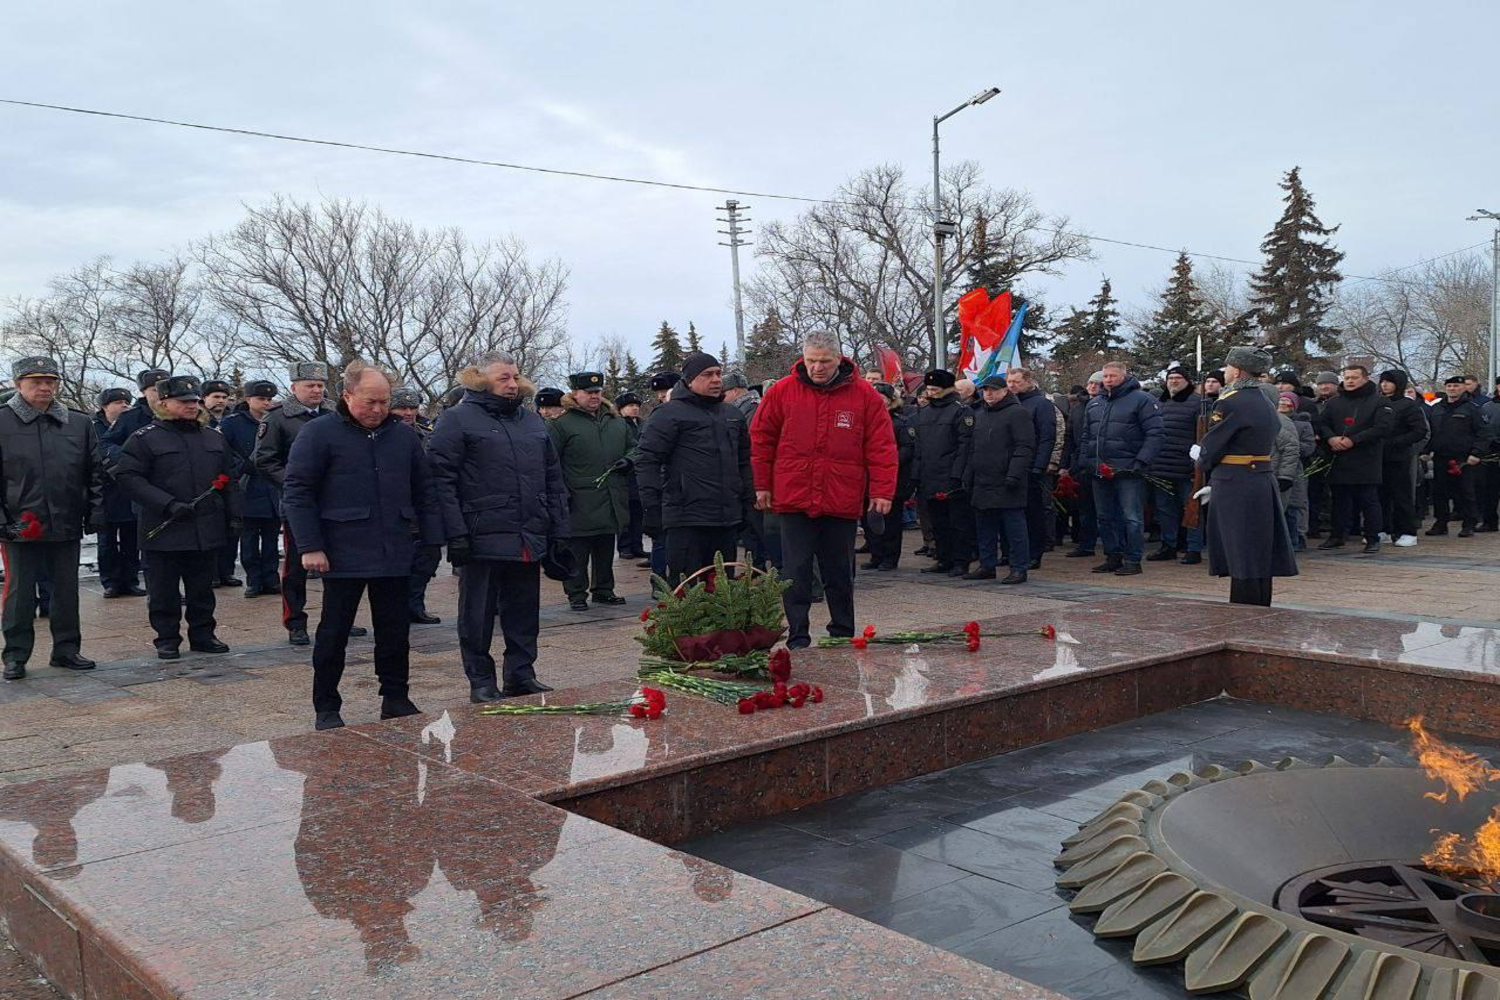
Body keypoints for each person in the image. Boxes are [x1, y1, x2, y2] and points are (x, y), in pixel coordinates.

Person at [282, 361, 440, 730]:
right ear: (348, 395)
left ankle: (396, 697)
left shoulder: (403, 436)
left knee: (394, 631)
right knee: (334, 632)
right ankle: (326, 706)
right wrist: (310, 546)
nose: (379, 410)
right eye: (370, 402)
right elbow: (298, 492)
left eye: (385, 402)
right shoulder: (319, 432)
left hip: (394, 547)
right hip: (341, 549)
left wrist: (433, 541)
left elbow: (425, 491)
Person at [428, 351, 571, 701]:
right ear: (480, 379)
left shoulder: (531, 421)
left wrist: (559, 530)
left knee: (523, 610)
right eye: (503, 378)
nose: (512, 384)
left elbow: (553, 478)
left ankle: (521, 674)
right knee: (477, 613)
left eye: (515, 377)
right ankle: (481, 680)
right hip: (481, 532)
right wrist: (455, 533)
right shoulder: (456, 419)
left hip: (528, 531)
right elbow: (441, 480)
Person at [750, 331, 896, 649]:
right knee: (795, 571)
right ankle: (798, 634)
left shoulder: (864, 395)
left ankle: (842, 631)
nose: (817, 368)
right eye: (811, 361)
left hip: (840, 496)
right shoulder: (782, 392)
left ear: (838, 359)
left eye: (824, 362)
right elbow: (761, 440)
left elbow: (882, 446)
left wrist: (882, 491)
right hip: (794, 496)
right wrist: (762, 485)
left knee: (840, 572)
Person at [114, 375, 239, 660]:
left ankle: (203, 635)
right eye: (184, 401)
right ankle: (167, 638)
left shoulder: (213, 437)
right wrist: (167, 504)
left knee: (202, 589)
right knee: (163, 590)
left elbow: (229, 480)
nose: (191, 406)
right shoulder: (145, 438)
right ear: (164, 403)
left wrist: (234, 517)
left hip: (204, 526)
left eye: (194, 401)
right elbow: (129, 478)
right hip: (163, 527)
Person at [0, 356, 103, 679]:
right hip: (20, 523)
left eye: (50, 381)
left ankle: (67, 650)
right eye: (36, 382)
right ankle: (15, 655)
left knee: (66, 590)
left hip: (66, 518)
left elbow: (94, 471)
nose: (45, 387)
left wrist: (96, 510)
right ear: (18, 384)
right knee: (20, 593)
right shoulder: (2, 421)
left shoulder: (78, 422)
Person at [255, 362, 362, 646]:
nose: (316, 390)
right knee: (296, 567)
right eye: (309, 385)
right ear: (294, 387)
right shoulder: (278, 418)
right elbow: (265, 461)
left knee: (340, 564)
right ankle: (295, 621)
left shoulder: (335, 413)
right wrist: (297, 485)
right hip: (299, 505)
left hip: (335, 503)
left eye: (320, 385)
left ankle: (340, 617)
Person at [637, 353, 753, 587]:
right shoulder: (668, 414)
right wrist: (651, 507)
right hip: (686, 518)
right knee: (686, 590)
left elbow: (743, 463)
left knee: (722, 589)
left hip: (725, 518)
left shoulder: (732, 415)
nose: (716, 379)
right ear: (690, 380)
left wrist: (747, 503)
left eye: (718, 373)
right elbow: (647, 461)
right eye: (707, 375)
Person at [1195, 347, 1298, 605]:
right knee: (1258, 549)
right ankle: (1259, 603)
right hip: (1260, 478)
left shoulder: (1230, 401)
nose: (1225, 371)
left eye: (1228, 367)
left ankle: (1244, 608)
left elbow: (1215, 444)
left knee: (1241, 550)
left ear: (1238, 371)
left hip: (1235, 481)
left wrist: (1202, 457)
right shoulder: (1264, 400)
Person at [550, 371, 634, 610]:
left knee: (606, 546)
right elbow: (551, 462)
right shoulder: (561, 425)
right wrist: (561, 493)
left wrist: (629, 460)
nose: (594, 396)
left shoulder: (616, 421)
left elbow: (635, 448)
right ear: (575, 394)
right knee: (578, 549)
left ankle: (604, 589)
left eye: (597, 392)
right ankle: (576, 593)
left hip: (611, 495)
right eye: (589, 392)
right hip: (578, 499)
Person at [1078, 361, 1163, 576]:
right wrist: (1085, 461)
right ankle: (1112, 556)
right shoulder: (1094, 404)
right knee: (1105, 517)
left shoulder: (1142, 400)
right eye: (1105, 376)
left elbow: (1155, 434)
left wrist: (1141, 462)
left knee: (1132, 517)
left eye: (1112, 376)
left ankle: (1133, 559)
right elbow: (1086, 436)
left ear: (1123, 377)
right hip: (1099, 470)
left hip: (1129, 470)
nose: (1108, 380)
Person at [963, 373, 1035, 584]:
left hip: (1007, 480)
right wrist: (968, 474)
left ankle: (1019, 568)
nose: (989, 394)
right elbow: (973, 448)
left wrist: (1014, 474)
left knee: (1014, 528)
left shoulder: (1017, 413)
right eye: (986, 390)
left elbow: (1024, 446)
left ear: (1005, 391)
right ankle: (987, 565)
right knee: (984, 527)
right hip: (983, 480)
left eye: (993, 390)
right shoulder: (980, 414)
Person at [1315, 365, 1393, 553]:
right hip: (1339, 456)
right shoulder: (1334, 403)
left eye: (1354, 377)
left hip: (1366, 457)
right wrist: (1330, 438)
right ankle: (1337, 536)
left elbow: (1382, 427)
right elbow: (1321, 424)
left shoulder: (1379, 401)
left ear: (1365, 378)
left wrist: (1354, 440)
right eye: (1347, 377)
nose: (1349, 381)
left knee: (1368, 500)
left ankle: (1372, 538)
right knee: (1339, 500)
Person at [219, 380, 282, 598]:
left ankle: (271, 579)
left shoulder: (276, 420)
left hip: (272, 487)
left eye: (269, 399)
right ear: (248, 399)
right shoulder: (232, 423)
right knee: (249, 539)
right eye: (261, 399)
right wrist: (241, 466)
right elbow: (223, 451)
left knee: (271, 539)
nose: (266, 403)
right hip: (247, 486)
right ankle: (254, 580)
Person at [913, 369, 974, 576]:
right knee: (937, 522)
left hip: (951, 476)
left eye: (935, 389)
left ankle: (961, 561)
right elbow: (919, 446)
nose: (930, 393)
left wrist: (957, 475)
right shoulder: (924, 412)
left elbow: (964, 446)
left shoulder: (960, 411)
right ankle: (943, 558)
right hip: (929, 475)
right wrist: (917, 474)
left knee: (957, 522)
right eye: (928, 389)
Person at [1144, 365, 1205, 565]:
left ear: (1187, 381)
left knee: (1191, 509)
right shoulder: (1159, 403)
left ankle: (1193, 548)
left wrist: (1196, 462)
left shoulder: (1198, 403)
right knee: (1164, 510)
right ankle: (1168, 545)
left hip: (1187, 467)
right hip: (1161, 465)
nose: (1174, 381)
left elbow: (1204, 435)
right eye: (1170, 378)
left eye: (1178, 377)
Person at [391, 386, 443, 623]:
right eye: (402, 408)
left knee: (427, 559)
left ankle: (415, 605)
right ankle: (398, 608)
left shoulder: (426, 434)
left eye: (412, 407)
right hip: (397, 507)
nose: (408, 413)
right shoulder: (385, 435)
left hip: (424, 506)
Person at [92, 387, 144, 598]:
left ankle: (130, 580)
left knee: (131, 541)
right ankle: (111, 582)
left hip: (130, 492)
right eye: (118, 403)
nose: (124, 406)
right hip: (105, 492)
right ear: (105, 407)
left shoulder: (131, 425)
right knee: (107, 542)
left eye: (126, 402)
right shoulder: (94, 428)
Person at [1005, 368, 1057, 571]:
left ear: (1028, 381)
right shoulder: (1009, 403)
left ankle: (1035, 553)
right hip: (1010, 465)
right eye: (1009, 381)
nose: (1011, 385)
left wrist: (1039, 466)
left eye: (1016, 382)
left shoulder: (1041, 404)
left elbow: (1047, 437)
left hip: (1032, 466)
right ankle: (1011, 552)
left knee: (1034, 512)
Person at [1423, 376, 1487, 537]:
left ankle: (1469, 523)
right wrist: (1425, 451)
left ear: (1463, 388)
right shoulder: (1437, 408)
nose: (1452, 389)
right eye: (1449, 386)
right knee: (1439, 492)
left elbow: (1483, 433)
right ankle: (1441, 523)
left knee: (1466, 492)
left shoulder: (1472, 409)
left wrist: (1476, 453)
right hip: (1440, 456)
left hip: (1463, 458)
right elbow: (1430, 432)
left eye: (1456, 386)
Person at [862, 382, 915, 571]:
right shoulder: (865, 420)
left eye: (881, 398)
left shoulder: (900, 422)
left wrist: (886, 462)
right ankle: (876, 554)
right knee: (869, 519)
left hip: (892, 478)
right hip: (866, 478)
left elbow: (907, 449)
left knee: (890, 521)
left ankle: (890, 557)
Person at [1376, 370, 1429, 547]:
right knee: (1380, 495)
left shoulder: (1408, 405)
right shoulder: (1377, 402)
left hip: (1399, 456)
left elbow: (1419, 430)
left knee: (1401, 495)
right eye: (1383, 381)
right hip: (1378, 456)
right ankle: (1383, 529)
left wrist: (1398, 442)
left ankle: (1407, 531)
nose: (1384, 385)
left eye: (1389, 382)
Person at [722, 372, 766, 568]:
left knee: (755, 528)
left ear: (734, 391)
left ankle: (758, 568)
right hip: (747, 477)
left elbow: (751, 445)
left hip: (751, 477)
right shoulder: (745, 409)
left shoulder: (749, 410)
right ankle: (754, 568)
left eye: (724, 393)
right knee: (750, 528)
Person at [639, 371, 680, 574]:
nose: (661, 396)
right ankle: (659, 579)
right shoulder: (658, 416)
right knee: (662, 540)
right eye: (659, 393)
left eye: (665, 391)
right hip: (663, 486)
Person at [1277, 394, 1316, 550]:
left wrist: (1290, 443)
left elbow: (1308, 447)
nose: (1283, 403)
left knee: (1293, 505)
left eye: (1287, 401)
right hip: (1274, 466)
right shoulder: (1270, 421)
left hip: (1294, 468)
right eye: (1280, 400)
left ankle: (1296, 538)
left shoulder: (1303, 425)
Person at [1305, 370, 1340, 537]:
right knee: (1315, 490)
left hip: (1336, 449)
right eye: (1320, 384)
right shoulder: (1312, 405)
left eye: (1328, 383)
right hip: (1315, 452)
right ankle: (1316, 524)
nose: (1324, 387)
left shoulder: (1342, 403)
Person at [614, 391, 647, 560]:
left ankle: (637, 545)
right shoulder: (618, 425)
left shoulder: (643, 424)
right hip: (625, 474)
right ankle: (625, 546)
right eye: (630, 405)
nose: (634, 408)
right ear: (621, 409)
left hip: (640, 475)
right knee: (625, 515)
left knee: (638, 513)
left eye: (636, 405)